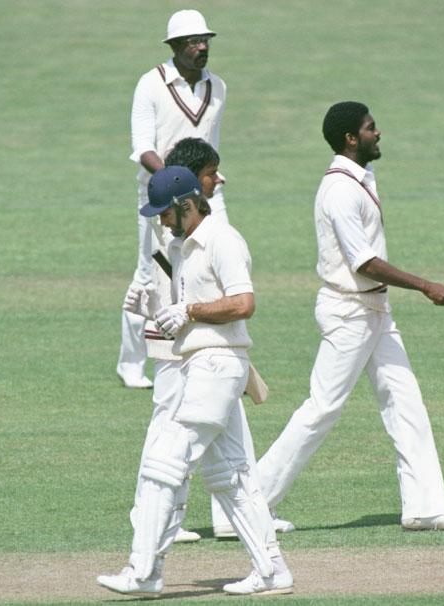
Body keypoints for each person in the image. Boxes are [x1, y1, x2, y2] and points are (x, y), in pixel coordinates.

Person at [257, 101, 444, 532]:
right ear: (350, 139)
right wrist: (425, 286)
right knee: (321, 409)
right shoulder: (340, 189)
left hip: (374, 310)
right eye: (372, 128)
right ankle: (250, 504)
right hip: (349, 312)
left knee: (405, 401)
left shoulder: (358, 179)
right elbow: (365, 263)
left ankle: (424, 507)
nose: (379, 133)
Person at [98, 166, 294, 597]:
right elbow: (182, 314)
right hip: (198, 363)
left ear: (187, 204)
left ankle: (144, 572)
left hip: (218, 365)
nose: (162, 222)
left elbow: (244, 303)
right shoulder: (179, 247)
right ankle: (272, 570)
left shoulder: (223, 239)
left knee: (164, 461)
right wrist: (151, 305)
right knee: (230, 475)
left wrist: (188, 311)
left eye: (166, 213)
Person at [128, 137, 293, 543]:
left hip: (201, 341)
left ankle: (224, 521)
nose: (219, 180)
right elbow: (174, 289)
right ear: (188, 183)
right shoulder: (175, 224)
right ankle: (153, 522)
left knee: (219, 442)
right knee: (172, 435)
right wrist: (156, 307)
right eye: (210, 174)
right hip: (180, 344)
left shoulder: (202, 226)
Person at [117, 8, 227, 389]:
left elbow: (211, 145)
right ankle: (132, 363)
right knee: (152, 273)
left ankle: (208, 347)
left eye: (205, 41)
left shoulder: (219, 87)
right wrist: (171, 180)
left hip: (208, 191)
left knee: (211, 265)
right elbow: (142, 146)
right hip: (160, 192)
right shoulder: (151, 83)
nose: (202, 48)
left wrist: (204, 182)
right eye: (194, 42)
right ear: (176, 47)